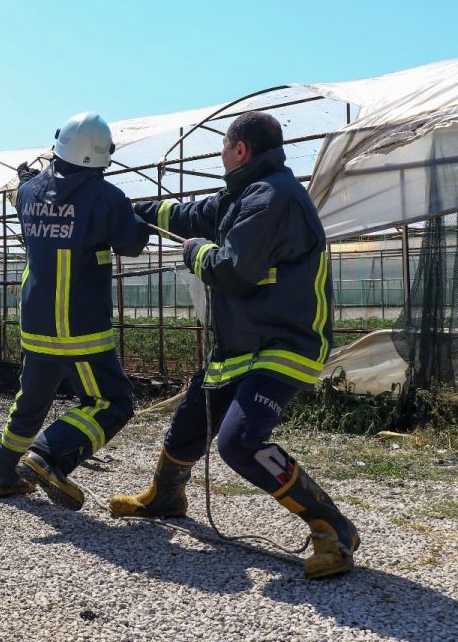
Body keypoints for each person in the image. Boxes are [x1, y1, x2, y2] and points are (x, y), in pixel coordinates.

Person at [110, 110, 359, 579]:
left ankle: (334, 529)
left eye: (224, 148)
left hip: (283, 344)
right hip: (242, 346)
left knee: (240, 440)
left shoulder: (273, 198)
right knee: (189, 421)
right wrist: (131, 211)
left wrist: (194, 252)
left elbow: (232, 272)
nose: (222, 156)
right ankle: (166, 495)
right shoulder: (242, 195)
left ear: (240, 149)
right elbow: (186, 215)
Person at [0, 112, 149, 505]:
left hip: (37, 320)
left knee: (32, 400)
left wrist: (26, 179)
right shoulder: (108, 198)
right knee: (112, 402)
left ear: (59, 143)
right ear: (103, 154)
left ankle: (3, 475)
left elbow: (32, 192)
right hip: (81, 324)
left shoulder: (26, 192)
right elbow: (131, 244)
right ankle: (48, 454)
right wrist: (136, 216)